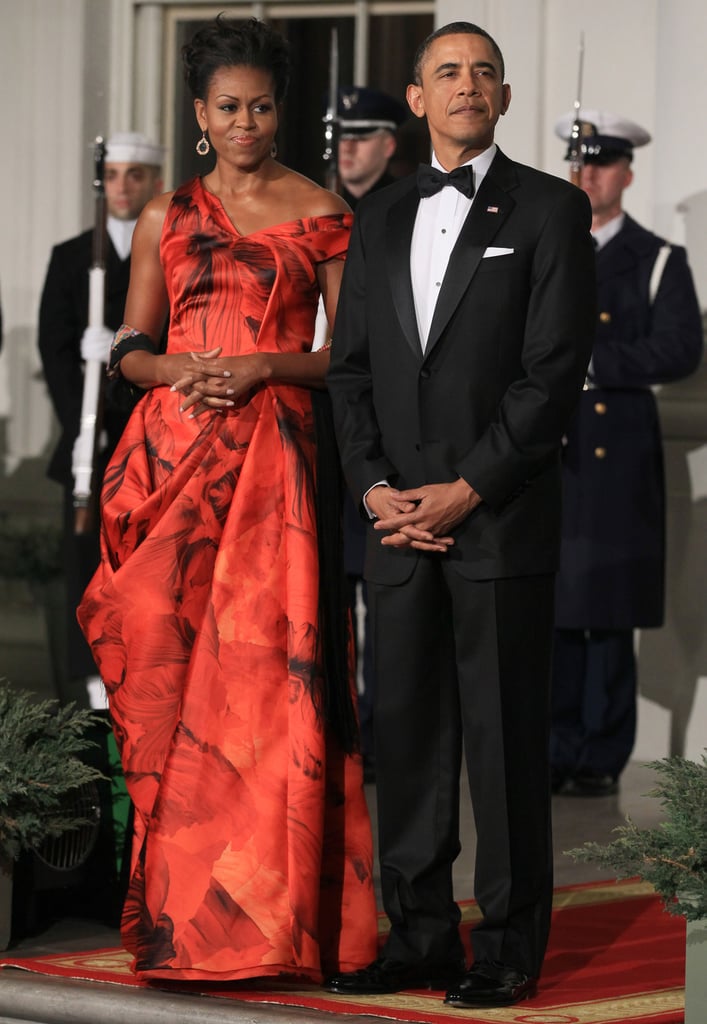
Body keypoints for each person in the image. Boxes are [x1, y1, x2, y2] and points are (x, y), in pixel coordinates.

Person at [77, 15, 377, 983]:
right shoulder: (167, 213)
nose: (245, 121)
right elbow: (127, 345)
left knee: (258, 691)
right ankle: (175, 910)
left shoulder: (326, 210)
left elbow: (347, 355)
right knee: (158, 675)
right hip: (165, 461)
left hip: (274, 470)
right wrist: (179, 371)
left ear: (277, 111)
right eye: (227, 107)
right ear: (200, 116)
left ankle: (263, 921)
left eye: (259, 105)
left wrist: (260, 365)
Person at [324, 21, 596, 1010]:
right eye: (447, 72)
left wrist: (467, 486)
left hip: (496, 519)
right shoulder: (382, 216)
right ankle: (419, 934)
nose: (466, 85)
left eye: (483, 72)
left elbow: (548, 376)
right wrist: (372, 490)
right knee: (406, 741)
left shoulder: (552, 210)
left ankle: (508, 947)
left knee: (501, 743)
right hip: (395, 526)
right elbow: (349, 372)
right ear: (415, 98)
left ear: (505, 97)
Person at [550, 110, 703, 797]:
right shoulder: (545, 249)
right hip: (552, 446)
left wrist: (589, 358)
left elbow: (678, 348)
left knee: (607, 611)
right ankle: (552, 748)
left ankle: (599, 756)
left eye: (602, 164)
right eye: (579, 163)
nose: (588, 174)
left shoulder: (658, 258)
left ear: (626, 174)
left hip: (618, 450)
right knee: (550, 609)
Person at [38, 131, 165, 707]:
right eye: (112, 175)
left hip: (148, 433)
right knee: (85, 566)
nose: (122, 187)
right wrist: (85, 419)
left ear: (153, 182)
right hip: (91, 441)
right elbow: (54, 348)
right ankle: (90, 686)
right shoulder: (71, 257)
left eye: (134, 176)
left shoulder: (167, 252)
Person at [337, 85, 408, 782]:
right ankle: (341, 730)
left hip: (385, 443)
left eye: (361, 137)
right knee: (333, 604)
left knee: (386, 608)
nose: (346, 149)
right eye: (340, 137)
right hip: (326, 440)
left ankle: (384, 735)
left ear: (390, 144)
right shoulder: (321, 213)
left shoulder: (402, 212)